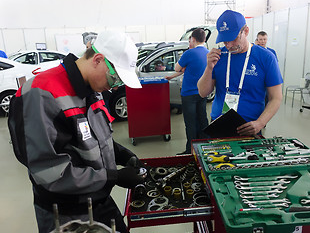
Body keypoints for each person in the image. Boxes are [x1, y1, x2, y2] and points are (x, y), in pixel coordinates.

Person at [8, 31, 145, 233]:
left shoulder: (92, 89)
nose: (114, 86)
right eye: (114, 78)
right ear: (98, 59)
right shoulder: (42, 93)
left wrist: (122, 154)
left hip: (97, 198)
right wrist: (113, 177)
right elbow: (50, 173)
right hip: (65, 212)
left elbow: (92, 138)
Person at [197, 10, 283, 136]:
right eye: (225, 41)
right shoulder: (218, 56)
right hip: (218, 125)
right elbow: (202, 92)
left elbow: (276, 98)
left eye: (233, 38)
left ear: (246, 31)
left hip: (249, 127)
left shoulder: (266, 58)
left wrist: (260, 123)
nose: (229, 45)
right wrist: (209, 68)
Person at [165, 28, 209, 154]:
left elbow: (177, 67)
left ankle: (190, 151)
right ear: (204, 39)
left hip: (189, 94)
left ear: (193, 39)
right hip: (202, 93)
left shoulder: (189, 53)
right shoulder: (208, 53)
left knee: (190, 123)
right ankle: (203, 148)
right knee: (202, 119)